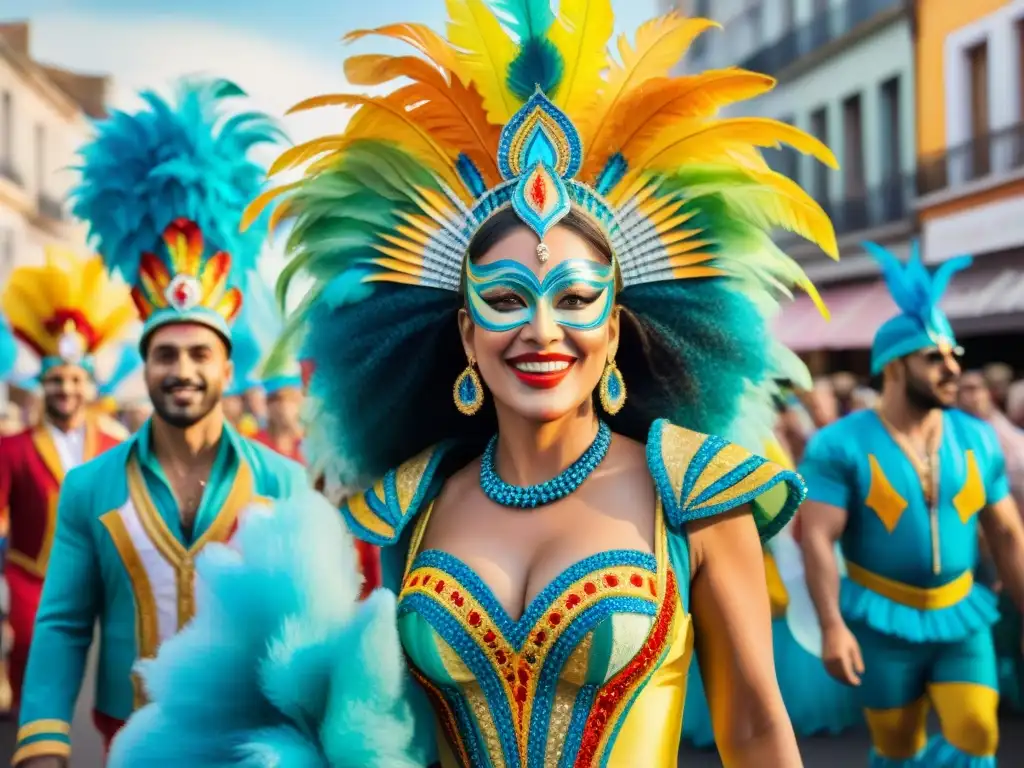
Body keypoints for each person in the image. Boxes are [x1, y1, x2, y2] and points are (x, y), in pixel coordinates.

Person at [108, 4, 840, 766]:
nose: (543, 331)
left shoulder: (694, 491)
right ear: (466, 334)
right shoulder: (409, 504)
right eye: (505, 301)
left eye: (577, 300)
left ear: (616, 329)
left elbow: (755, 728)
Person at [12, 78, 307, 767]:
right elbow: (60, 623)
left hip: (248, 741)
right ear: (145, 366)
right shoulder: (90, 486)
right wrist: (43, 737)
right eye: (166, 353)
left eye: (201, 353)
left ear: (228, 368)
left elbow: (303, 625)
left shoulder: (283, 481)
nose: (184, 369)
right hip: (127, 739)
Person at [798, 242, 1024, 767]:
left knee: (977, 731)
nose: (951, 368)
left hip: (961, 615)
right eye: (934, 357)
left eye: (953, 355)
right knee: (897, 747)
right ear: (894, 367)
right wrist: (832, 625)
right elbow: (816, 536)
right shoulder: (838, 444)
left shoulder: (979, 438)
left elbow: (1009, 534)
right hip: (882, 621)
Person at [0, 249, 136, 713]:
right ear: (44, 385)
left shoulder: (115, 445)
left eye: (74, 379)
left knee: (106, 695)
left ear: (88, 384)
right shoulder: (11, 448)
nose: (66, 389)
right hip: (31, 587)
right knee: (35, 696)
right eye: (56, 380)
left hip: (103, 586)